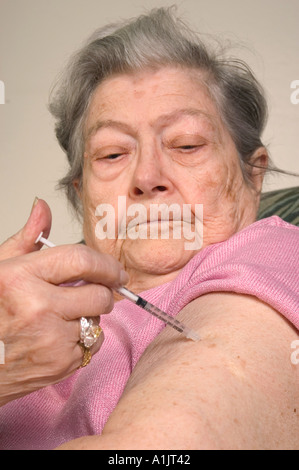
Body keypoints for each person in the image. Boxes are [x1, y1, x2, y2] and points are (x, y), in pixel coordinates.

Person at [0, 7, 298, 450]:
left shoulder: (275, 256)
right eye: (112, 154)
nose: (146, 175)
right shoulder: (21, 307)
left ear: (253, 176)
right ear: (82, 194)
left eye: (186, 144)